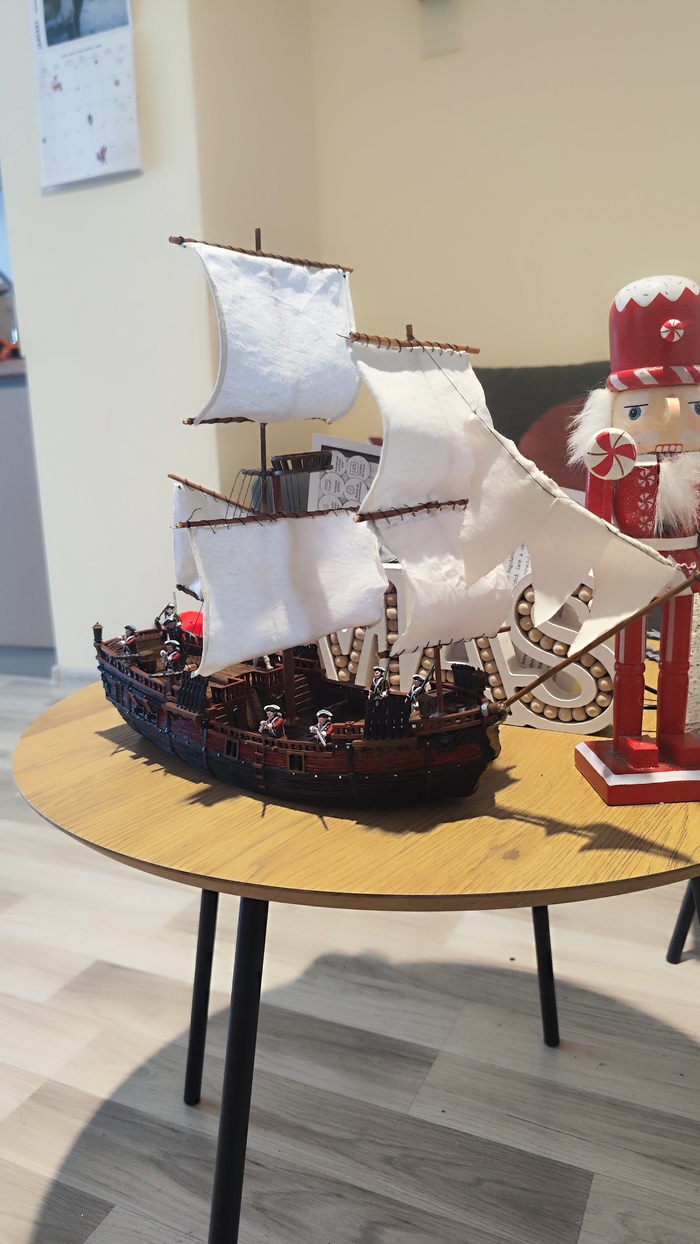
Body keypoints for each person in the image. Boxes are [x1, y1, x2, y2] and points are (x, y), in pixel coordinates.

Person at [569, 274, 700, 785]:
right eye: (641, 409)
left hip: (685, 566)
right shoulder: (613, 462)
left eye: (693, 405)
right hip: (630, 565)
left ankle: (672, 732)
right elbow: (596, 519)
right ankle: (628, 733)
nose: (673, 420)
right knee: (629, 659)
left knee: (677, 657)